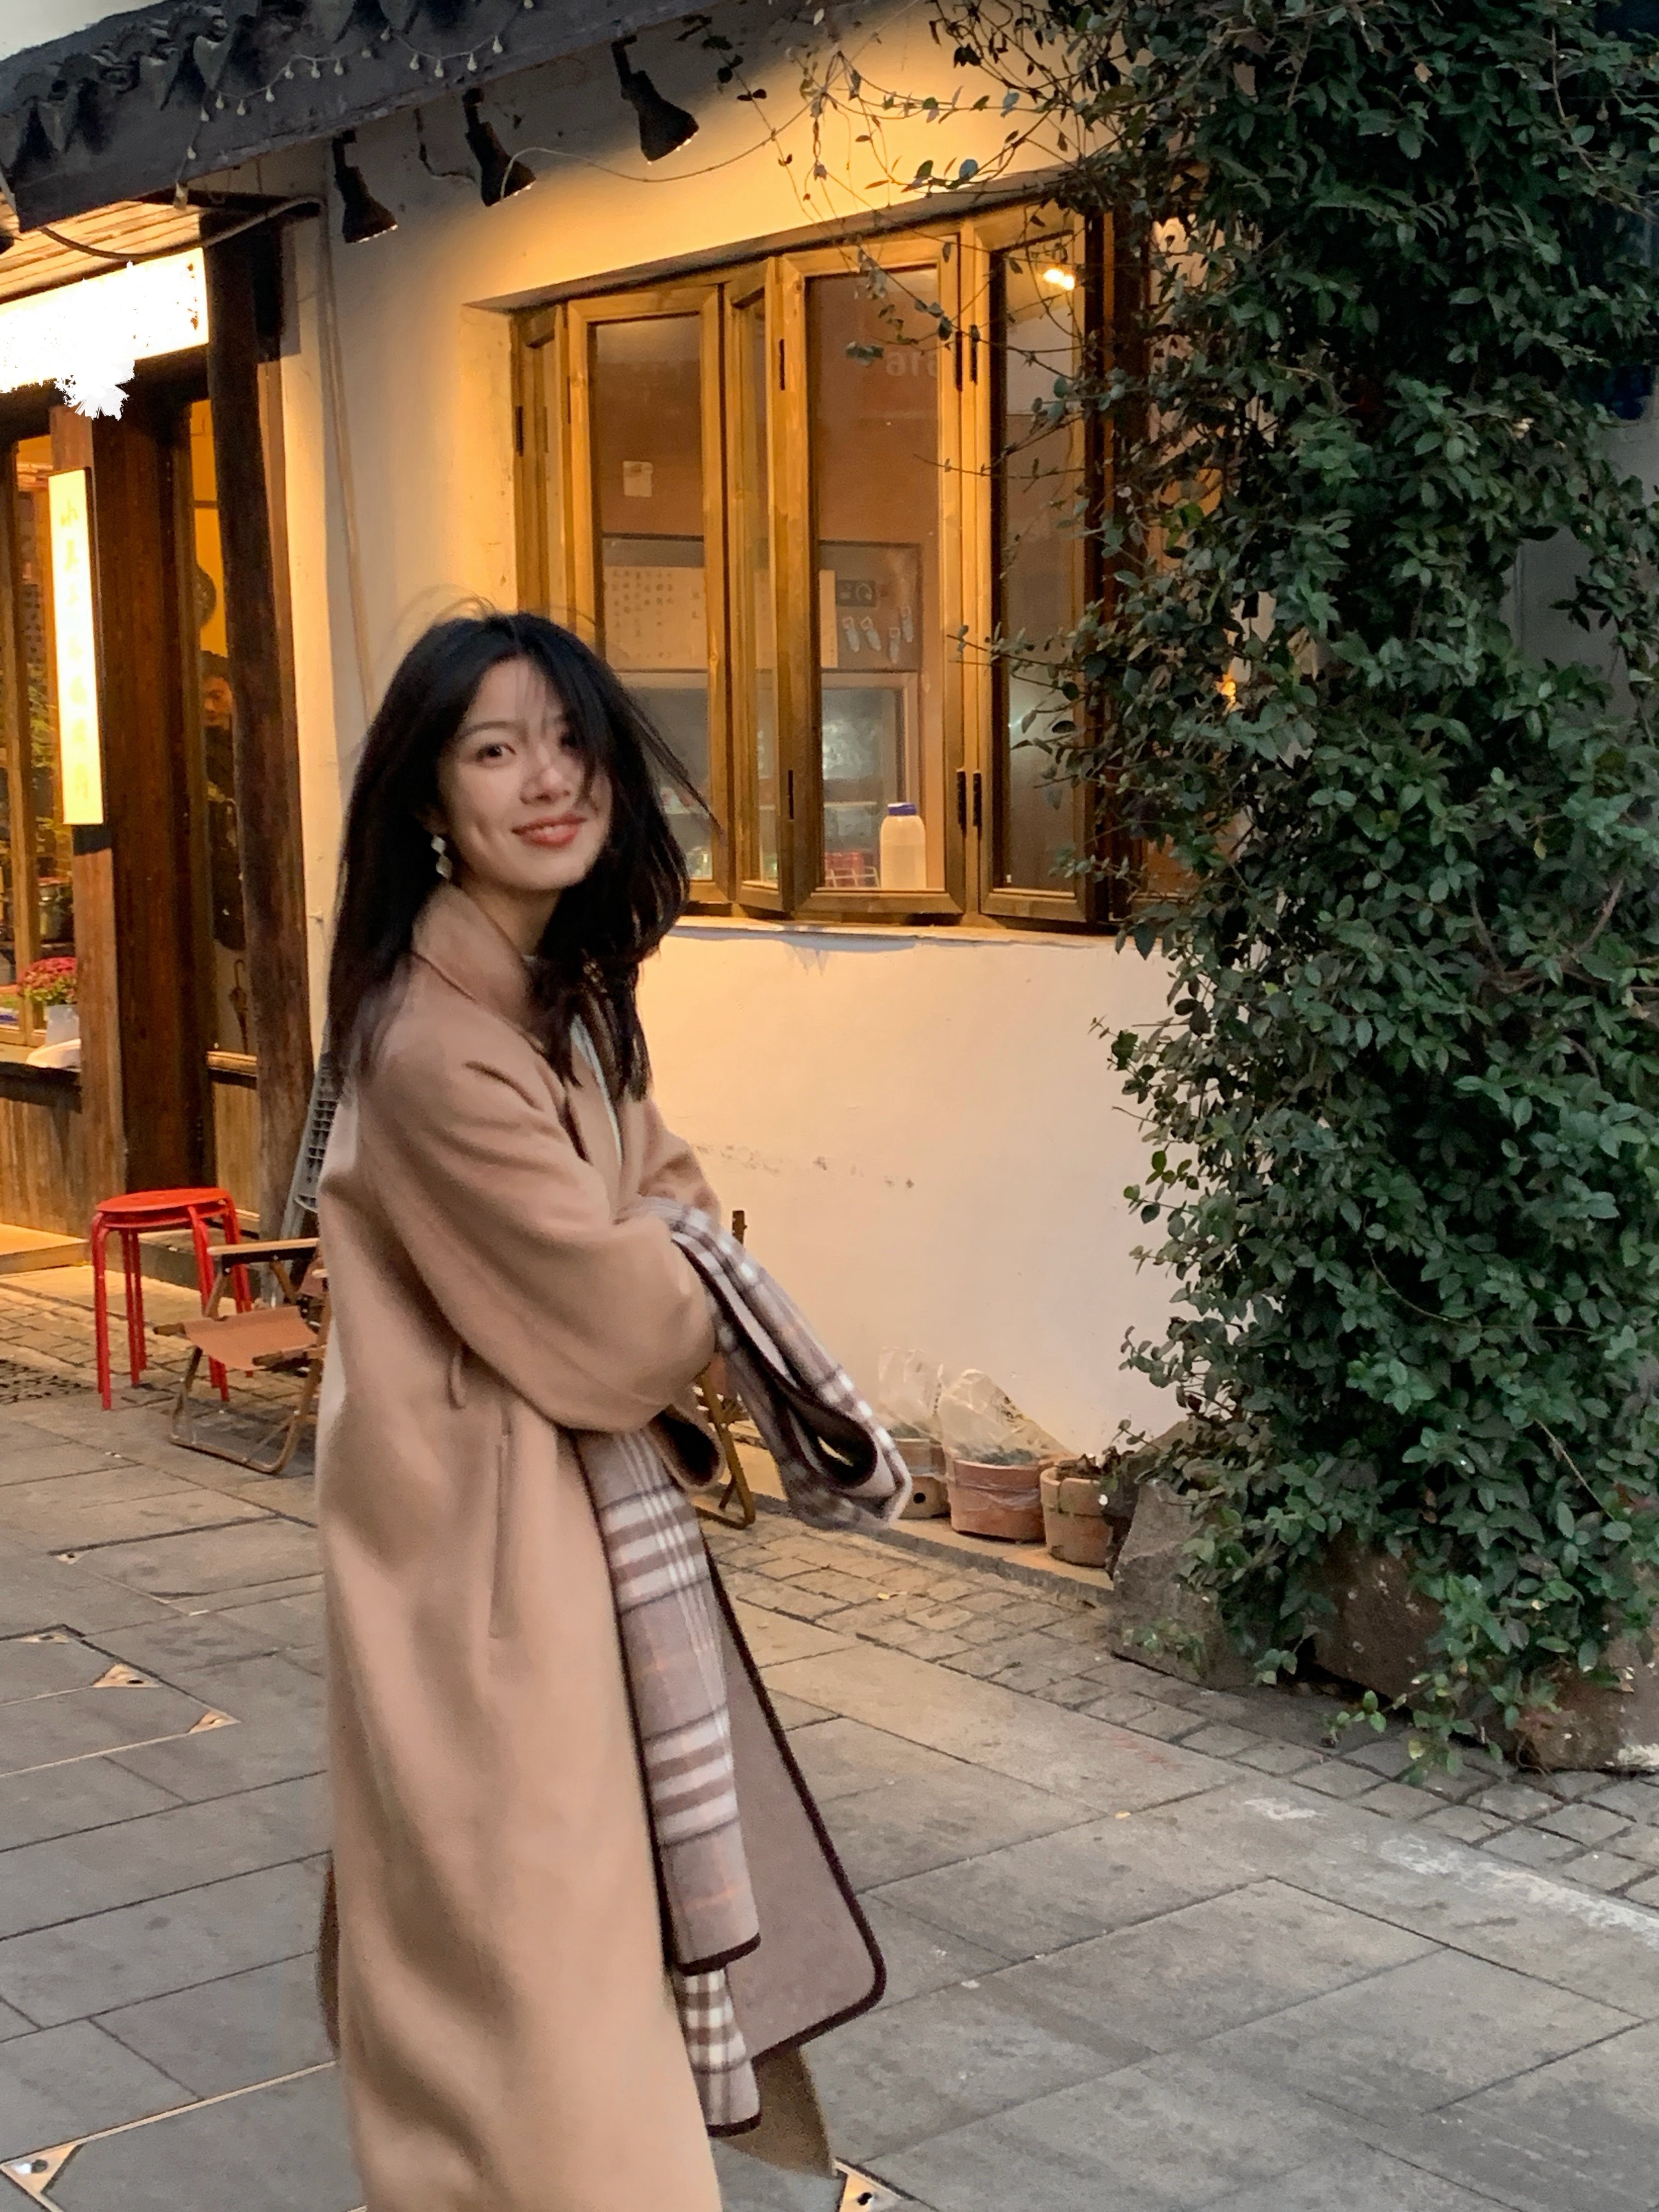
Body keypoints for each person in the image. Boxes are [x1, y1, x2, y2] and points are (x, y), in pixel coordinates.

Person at [315, 612, 749, 2211]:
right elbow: (630, 1324)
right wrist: (671, 1251)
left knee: (548, 2014)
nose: (548, 780)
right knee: (534, 2042)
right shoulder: (439, 1043)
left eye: (568, 741)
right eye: (495, 750)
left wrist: (660, 1240)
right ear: (432, 798)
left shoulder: (557, 1001)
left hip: (538, 1556)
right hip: (484, 1589)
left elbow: (669, 1207)